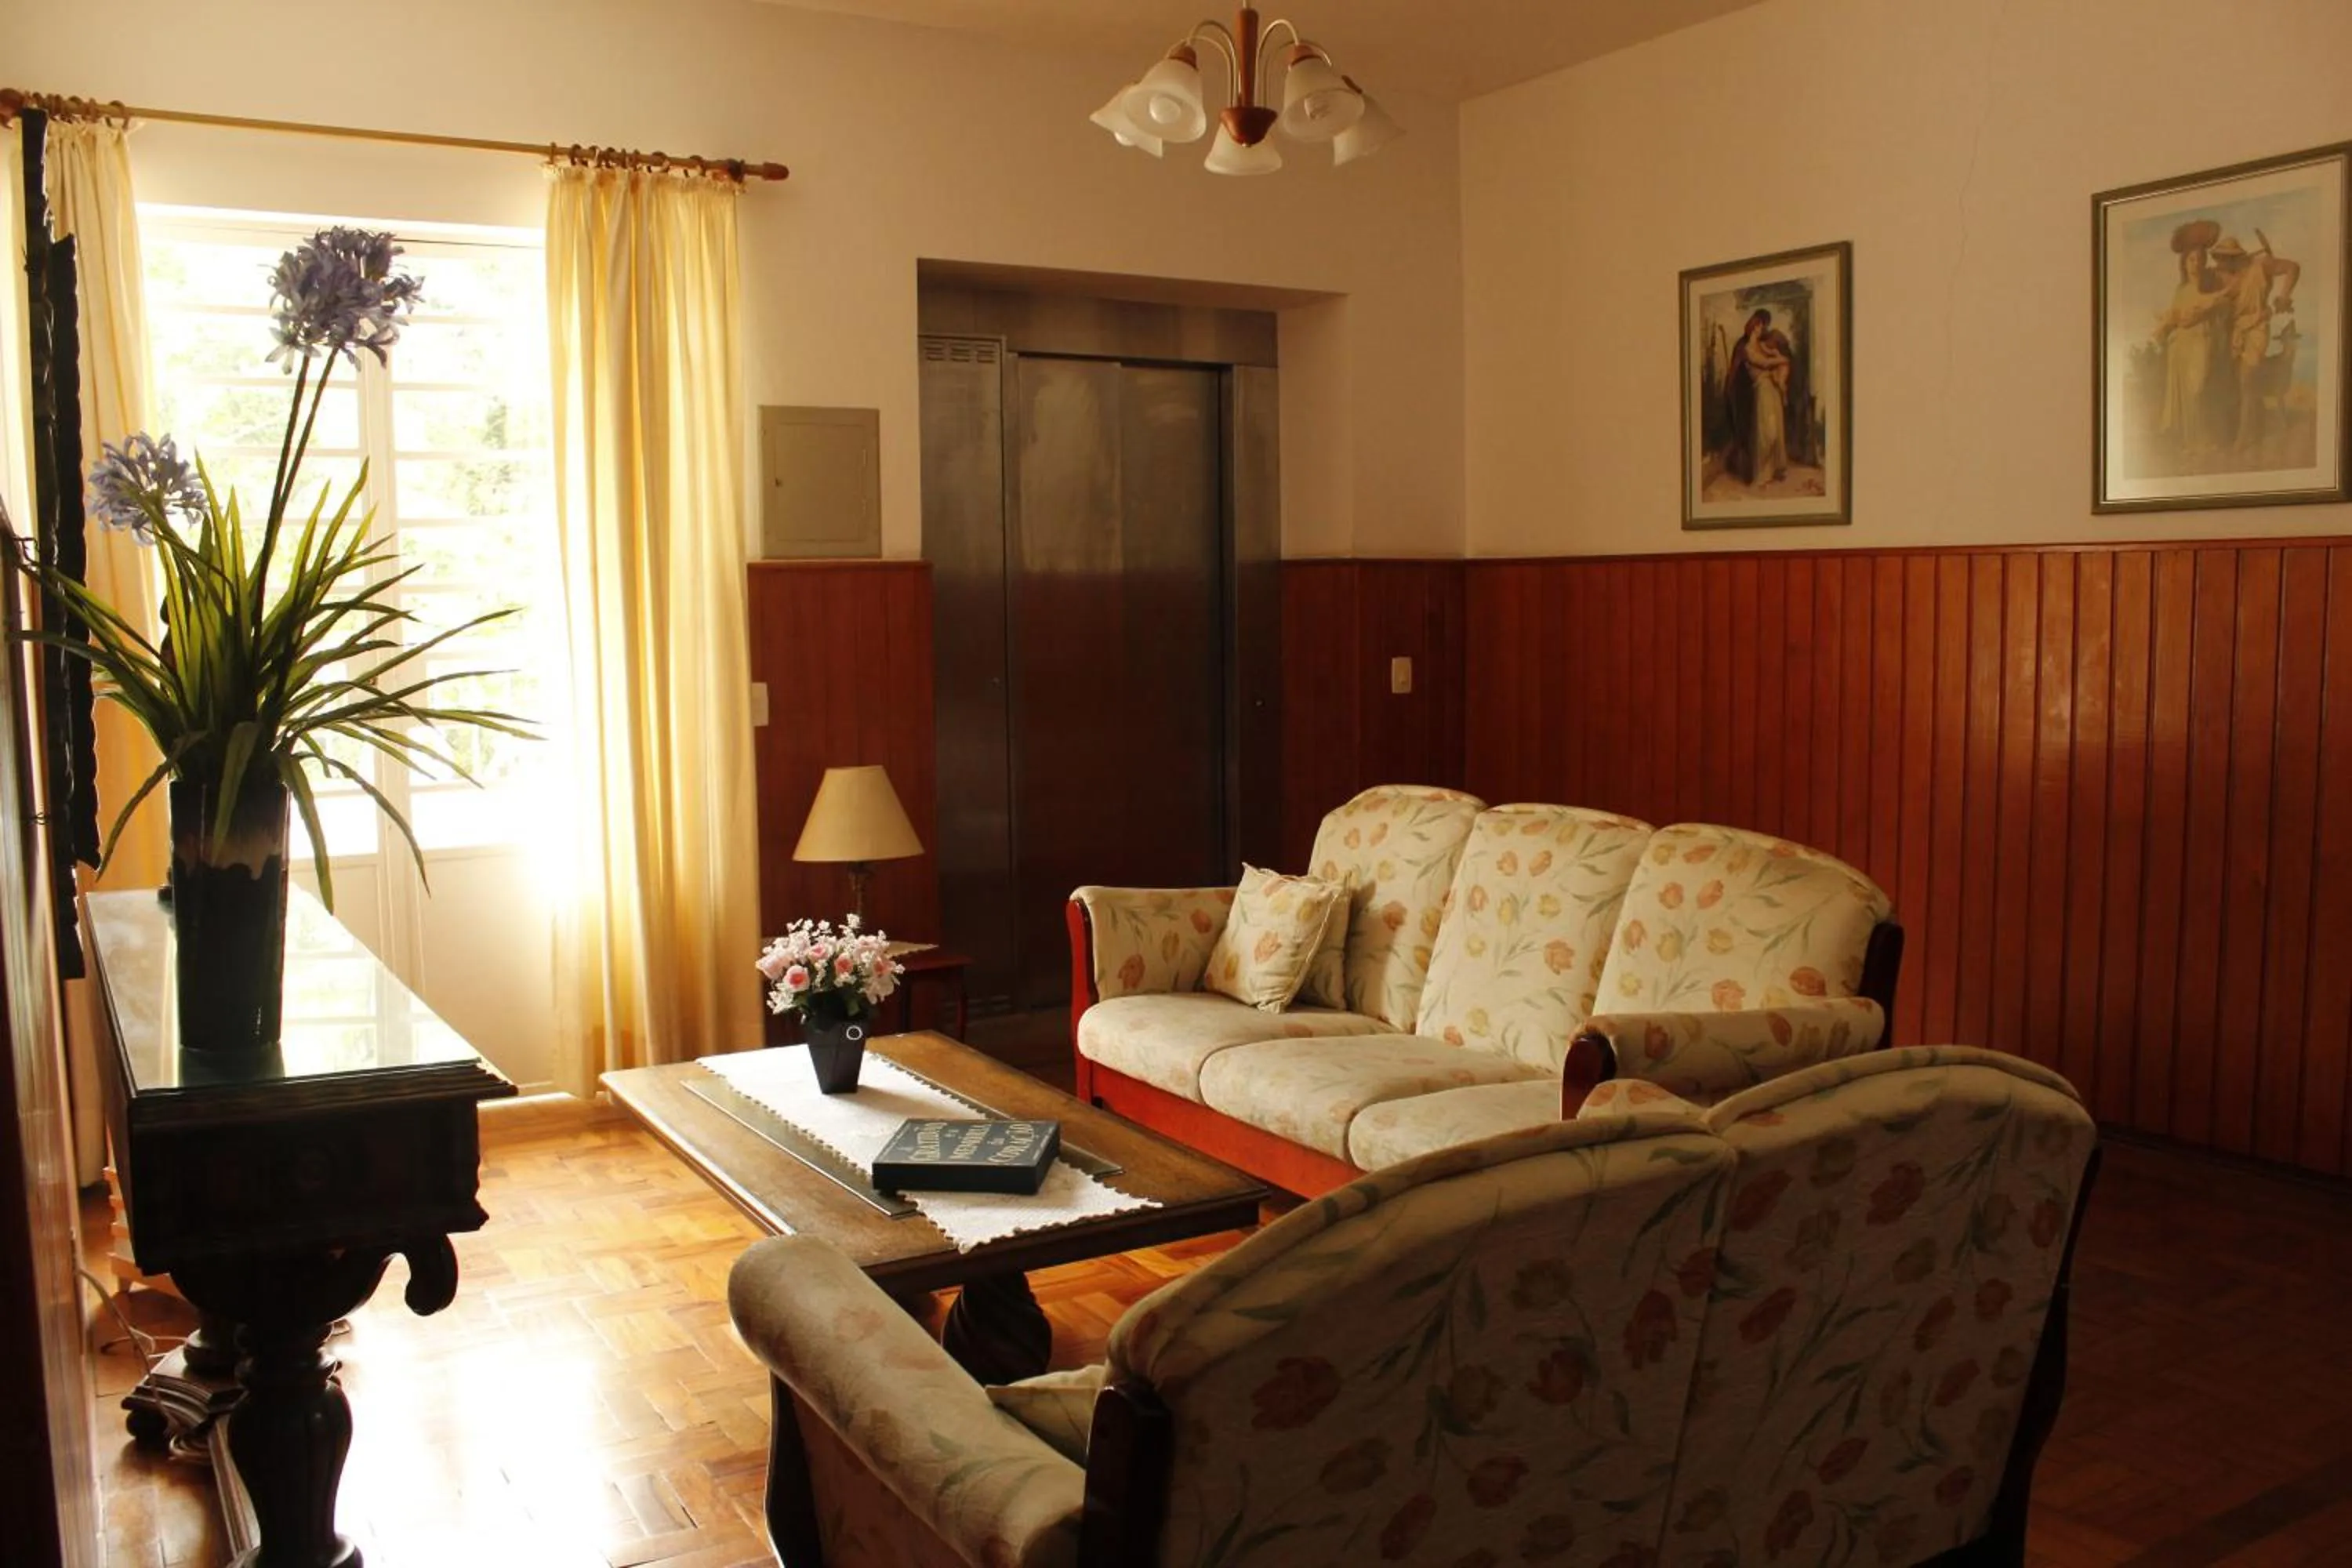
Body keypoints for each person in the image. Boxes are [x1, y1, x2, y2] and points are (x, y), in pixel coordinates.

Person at [2209, 234, 2301, 456]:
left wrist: (2284, 297)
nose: (2222, 262)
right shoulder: (2219, 276)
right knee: (2231, 383)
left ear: (2236, 256)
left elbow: (2293, 268)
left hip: (2256, 329)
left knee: (2247, 381)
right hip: (2232, 333)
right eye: (2219, 257)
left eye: (2226, 257)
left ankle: (2244, 437)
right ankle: (2238, 430)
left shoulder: (2260, 267)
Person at [2153, 242, 2229, 460]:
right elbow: (2176, 316)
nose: (2196, 264)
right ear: (2184, 264)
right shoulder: (2182, 290)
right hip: (2182, 344)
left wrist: (2207, 311)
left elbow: (2223, 307)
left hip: (2202, 340)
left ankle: (2205, 439)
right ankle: (2191, 442)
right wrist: (2169, 323)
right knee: (2187, 394)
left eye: (2200, 259)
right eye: (2192, 260)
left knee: (2199, 388)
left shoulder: (2210, 286)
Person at [1723, 310, 1797, 485]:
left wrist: (1779, 357)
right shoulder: (1747, 349)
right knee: (1766, 433)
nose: (1761, 329)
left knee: (1776, 431)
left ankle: (1775, 470)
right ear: (1752, 327)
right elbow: (1763, 363)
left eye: (1762, 326)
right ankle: (1762, 474)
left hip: (1772, 389)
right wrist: (1782, 361)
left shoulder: (1762, 345)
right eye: (1758, 326)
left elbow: (1773, 355)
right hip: (1762, 390)